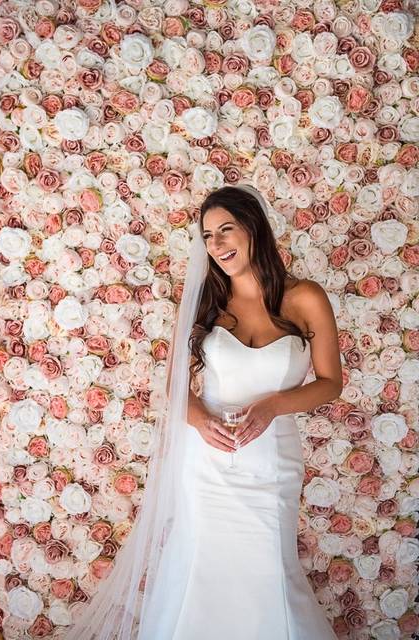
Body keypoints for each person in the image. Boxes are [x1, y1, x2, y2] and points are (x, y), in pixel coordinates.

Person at [64, 185, 343, 639]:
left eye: (226, 230)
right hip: (208, 463)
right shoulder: (205, 303)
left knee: (269, 572)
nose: (216, 245)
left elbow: (332, 382)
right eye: (208, 236)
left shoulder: (305, 297)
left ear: (254, 229)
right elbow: (175, 386)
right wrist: (198, 420)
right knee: (201, 572)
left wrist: (274, 406)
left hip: (271, 464)